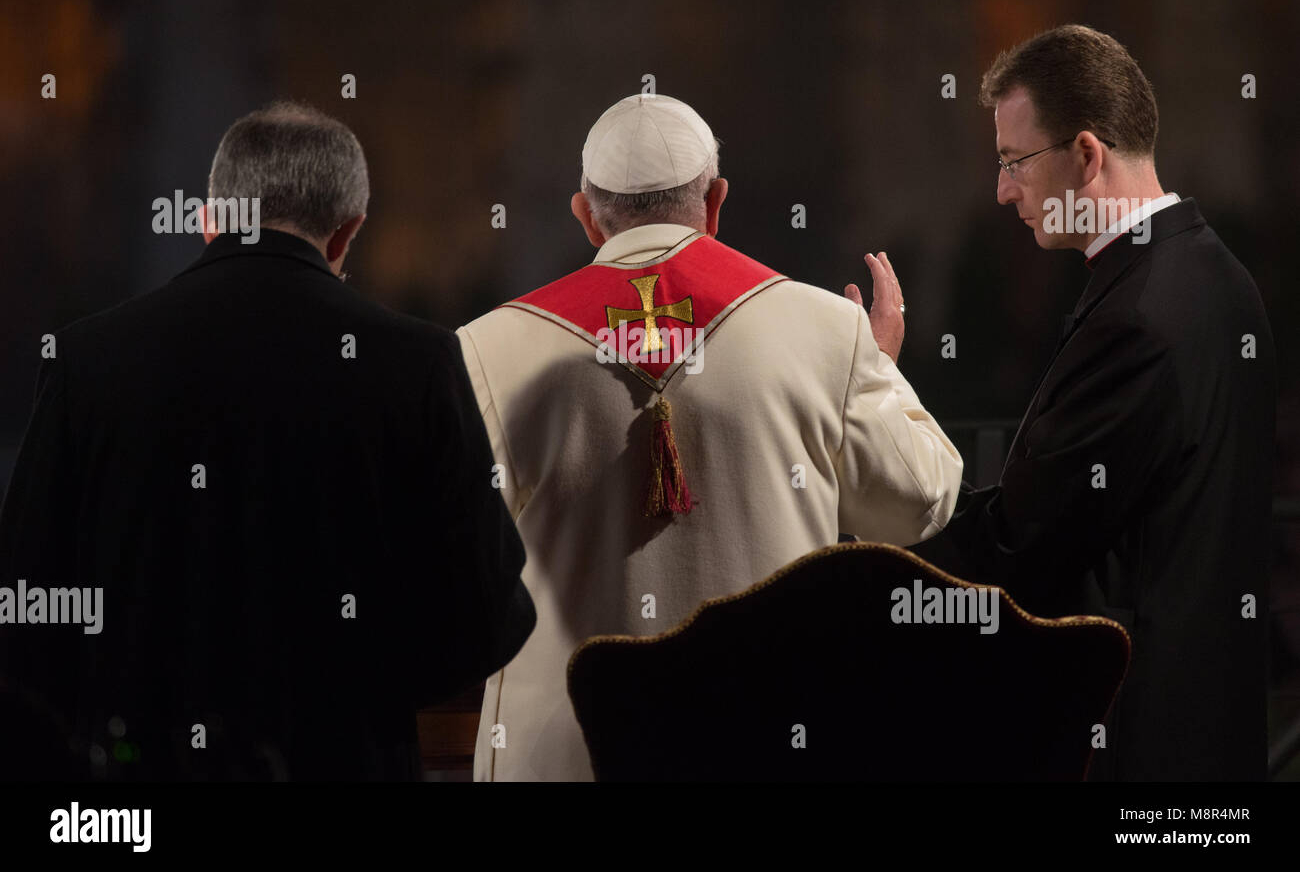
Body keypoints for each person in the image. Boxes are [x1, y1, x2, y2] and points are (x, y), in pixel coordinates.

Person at [0, 101, 536, 780]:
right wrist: (370, 689)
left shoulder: (90, 360)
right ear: (348, 233)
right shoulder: (416, 364)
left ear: (208, 221)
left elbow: (26, 609)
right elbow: (487, 615)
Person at [457, 93, 963, 781]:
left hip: (570, 751)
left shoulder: (486, 348)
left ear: (585, 215)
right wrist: (877, 367)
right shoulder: (825, 332)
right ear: (716, 200)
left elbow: (449, 565)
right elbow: (919, 502)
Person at [913, 26, 1276, 781]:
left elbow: (1019, 547)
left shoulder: (1141, 315)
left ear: (1086, 154)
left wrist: (874, 413)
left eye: (1015, 161)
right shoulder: (1220, 278)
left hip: (1138, 755)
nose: (1003, 189)